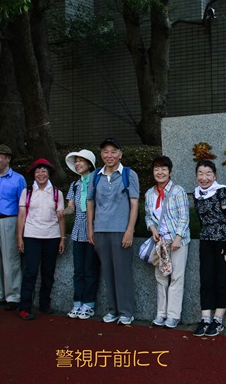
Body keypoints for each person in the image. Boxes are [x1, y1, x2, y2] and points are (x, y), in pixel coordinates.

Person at [87, 138, 140, 325]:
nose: (109, 155)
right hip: (101, 230)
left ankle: (126, 311)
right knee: (108, 272)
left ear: (120, 154)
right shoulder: (95, 175)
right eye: (105, 151)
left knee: (122, 272)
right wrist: (90, 228)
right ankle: (113, 310)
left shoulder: (129, 174)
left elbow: (134, 203)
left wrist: (130, 230)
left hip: (120, 230)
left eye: (113, 151)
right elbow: (90, 202)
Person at [192, 159, 226, 337]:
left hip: (225, 241)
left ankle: (218, 320)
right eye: (200, 173)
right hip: (206, 241)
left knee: (223, 279)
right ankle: (205, 318)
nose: (204, 178)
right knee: (206, 279)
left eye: (208, 174)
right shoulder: (197, 194)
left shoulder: (222, 192)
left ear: (215, 175)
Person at [16, 158, 66, 320]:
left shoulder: (57, 193)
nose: (41, 174)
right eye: (37, 171)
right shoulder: (27, 192)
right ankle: (25, 307)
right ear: (33, 174)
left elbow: (61, 217)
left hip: (52, 236)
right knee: (30, 272)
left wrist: (62, 238)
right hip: (31, 236)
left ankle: (45, 303)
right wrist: (19, 237)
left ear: (49, 174)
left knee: (48, 272)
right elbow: (21, 215)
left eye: (44, 171)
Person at [145, 156, 190, 329]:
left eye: (164, 169)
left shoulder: (178, 191)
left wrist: (177, 238)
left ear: (170, 172)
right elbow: (148, 216)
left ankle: (173, 315)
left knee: (176, 277)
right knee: (161, 277)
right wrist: (153, 230)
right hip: (161, 242)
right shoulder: (149, 194)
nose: (160, 172)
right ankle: (161, 313)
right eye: (156, 169)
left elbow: (184, 217)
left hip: (178, 241)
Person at [0, 145, 26, 311]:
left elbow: (23, 205)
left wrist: (21, 229)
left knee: (11, 259)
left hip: (10, 221)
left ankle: (13, 296)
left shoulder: (18, 179)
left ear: (8, 159)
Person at [63, 149, 100, 320]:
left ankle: (89, 304)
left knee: (90, 269)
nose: (77, 164)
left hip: (93, 231)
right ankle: (77, 302)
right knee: (78, 270)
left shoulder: (97, 182)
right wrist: (63, 211)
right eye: (76, 161)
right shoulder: (75, 185)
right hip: (78, 232)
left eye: (81, 161)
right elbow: (71, 207)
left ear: (89, 164)